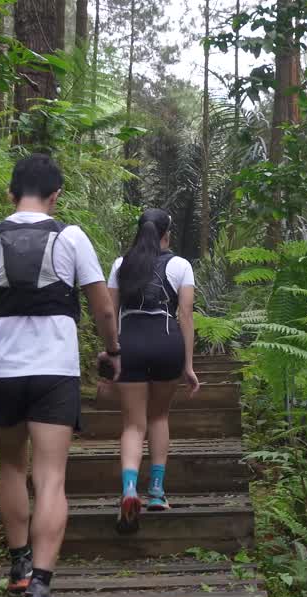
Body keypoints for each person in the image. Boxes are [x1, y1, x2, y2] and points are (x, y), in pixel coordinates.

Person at [0, 154, 121, 597]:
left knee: (12, 466)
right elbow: (102, 309)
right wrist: (112, 351)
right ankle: (40, 585)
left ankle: (17, 565)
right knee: (51, 476)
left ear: (10, 194)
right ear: (56, 195)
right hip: (55, 371)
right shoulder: (71, 238)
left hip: (2, 371)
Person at [107, 209, 199, 534]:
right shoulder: (181, 265)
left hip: (130, 344)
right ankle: (157, 492)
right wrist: (187, 364)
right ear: (167, 233)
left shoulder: (121, 265)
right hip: (165, 343)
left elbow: (109, 313)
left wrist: (110, 352)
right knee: (159, 417)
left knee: (133, 424)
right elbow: (185, 316)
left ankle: (129, 489)